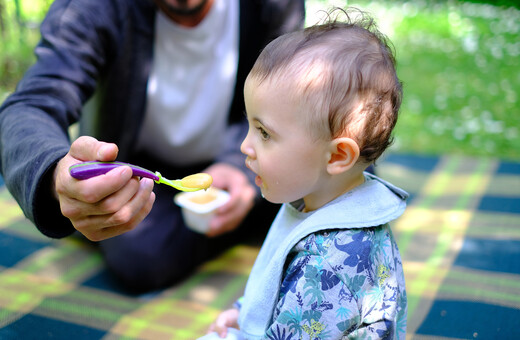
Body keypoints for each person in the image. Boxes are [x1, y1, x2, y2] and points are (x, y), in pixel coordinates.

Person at [0, 0, 305, 292]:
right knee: (141, 254)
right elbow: (31, 105)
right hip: (140, 179)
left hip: (245, 160)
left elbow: (289, 105)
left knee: (305, 186)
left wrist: (236, 166)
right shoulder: (93, 8)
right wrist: (55, 176)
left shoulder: (272, 5)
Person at [205, 7, 408, 339]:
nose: (245, 146)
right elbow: (278, 285)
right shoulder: (316, 200)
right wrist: (245, 313)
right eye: (250, 126)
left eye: (265, 133)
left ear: (338, 155)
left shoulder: (329, 263)